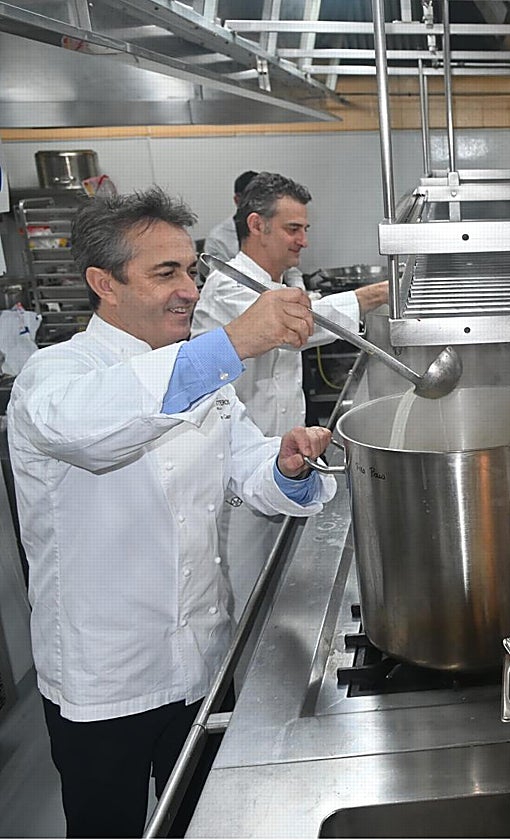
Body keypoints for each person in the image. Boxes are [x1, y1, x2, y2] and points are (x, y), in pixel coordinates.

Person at [8, 187, 338, 837]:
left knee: (204, 822)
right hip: (108, 680)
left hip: (201, 662)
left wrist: (287, 466)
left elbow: (248, 472)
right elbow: (96, 429)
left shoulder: (196, 372)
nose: (189, 289)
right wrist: (231, 346)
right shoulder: (55, 378)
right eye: (166, 273)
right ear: (104, 283)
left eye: (191, 269)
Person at [191, 172, 388, 618]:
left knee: (276, 593)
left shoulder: (280, 283)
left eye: (305, 229)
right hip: (240, 479)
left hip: (284, 466)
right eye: (292, 228)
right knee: (245, 605)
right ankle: (239, 689)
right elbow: (295, 325)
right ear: (257, 224)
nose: (302, 240)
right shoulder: (228, 288)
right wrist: (377, 293)